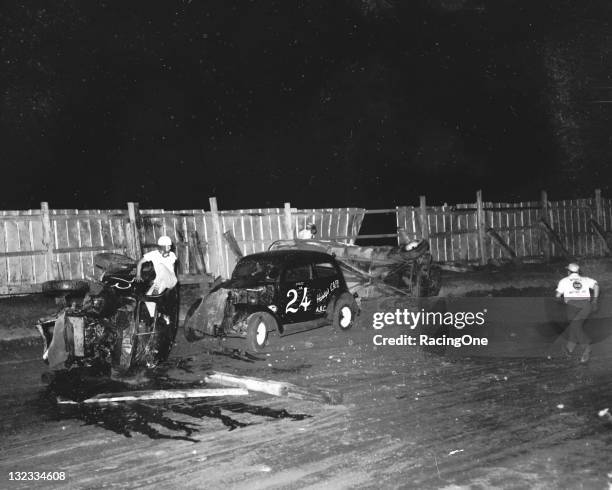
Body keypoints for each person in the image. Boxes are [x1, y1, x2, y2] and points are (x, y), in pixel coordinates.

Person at [555, 262, 599, 363]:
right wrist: (595, 301)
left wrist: (558, 301)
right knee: (575, 325)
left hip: (572, 306)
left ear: (568, 272)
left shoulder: (564, 281)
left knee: (575, 326)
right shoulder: (586, 279)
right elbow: (596, 286)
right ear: (578, 271)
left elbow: (557, 296)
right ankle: (569, 348)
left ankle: (587, 348)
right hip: (586, 306)